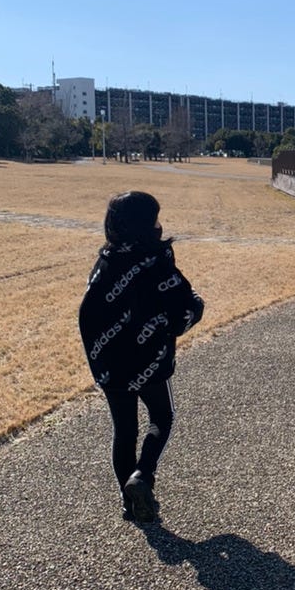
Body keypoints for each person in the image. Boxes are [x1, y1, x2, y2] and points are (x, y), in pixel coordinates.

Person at [79, 191, 204, 522]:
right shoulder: (156, 261)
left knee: (124, 431)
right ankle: (143, 475)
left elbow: (90, 316)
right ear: (147, 225)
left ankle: (130, 504)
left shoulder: (104, 262)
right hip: (149, 362)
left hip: (110, 365)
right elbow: (181, 313)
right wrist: (197, 305)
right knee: (162, 416)